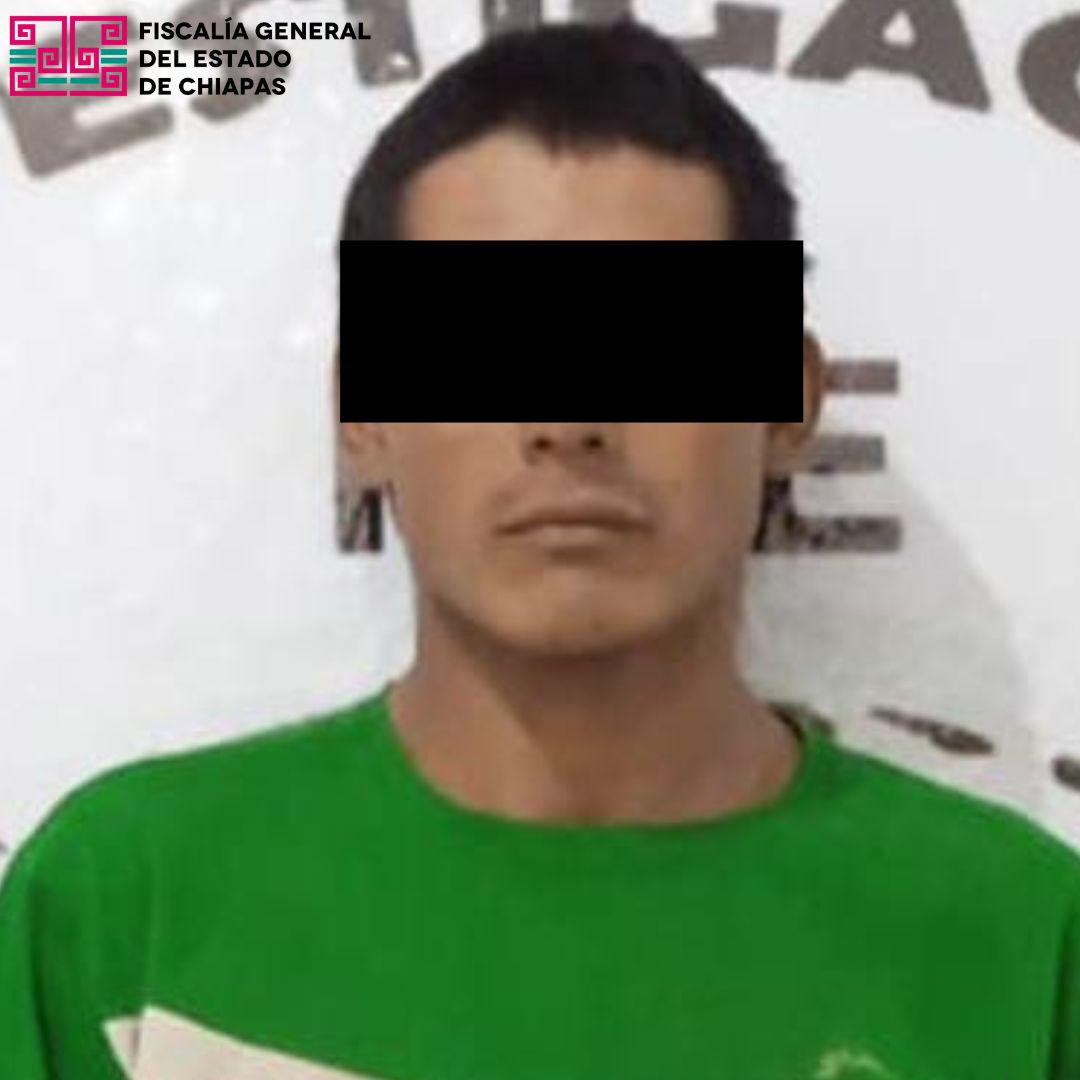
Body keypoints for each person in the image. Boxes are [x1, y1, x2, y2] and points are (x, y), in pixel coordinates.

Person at [2, 18, 1078, 1080]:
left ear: (789, 401)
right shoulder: (123, 916)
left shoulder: (1023, 942)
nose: (568, 422)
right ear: (365, 411)